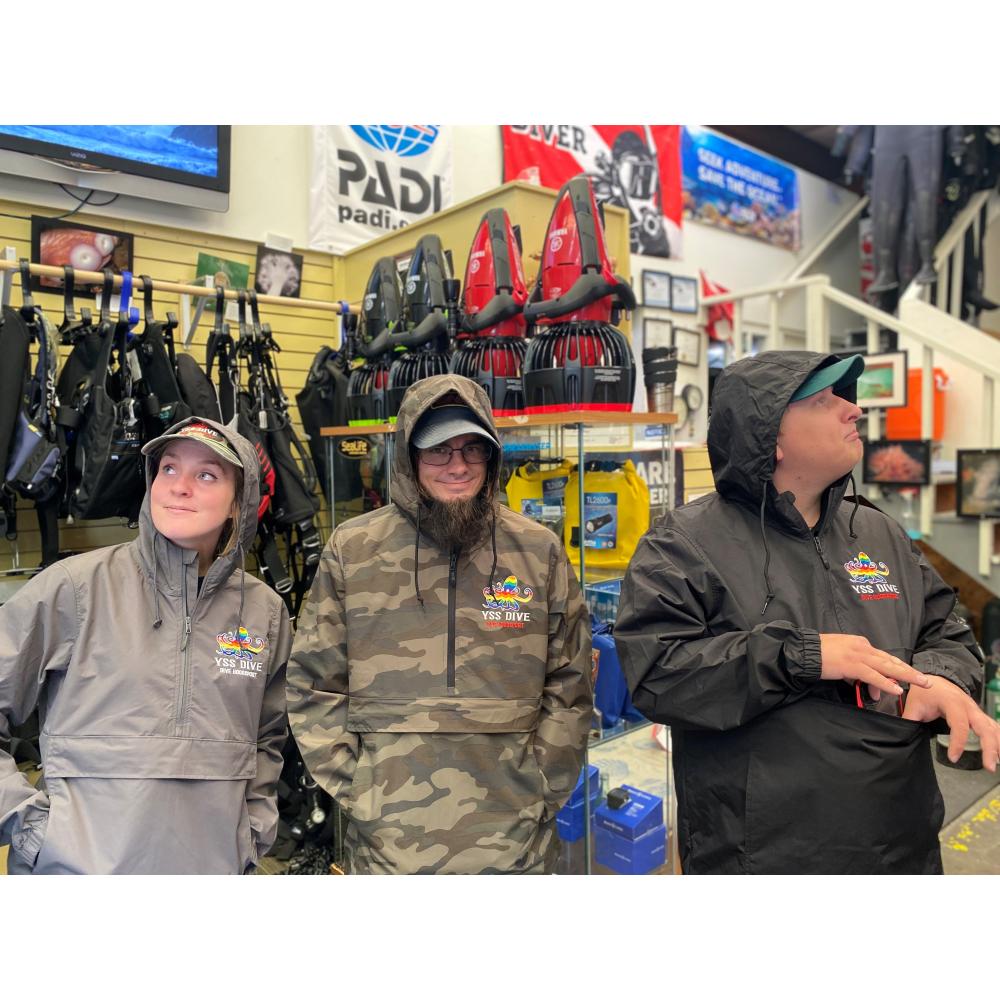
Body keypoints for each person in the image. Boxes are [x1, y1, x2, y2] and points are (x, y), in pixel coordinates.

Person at [615, 351, 997, 875]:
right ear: (768, 435)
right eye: (822, 401)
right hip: (761, 855)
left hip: (899, 843)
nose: (854, 410)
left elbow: (945, 630)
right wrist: (803, 656)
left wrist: (942, 678)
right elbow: (658, 675)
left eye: (845, 397)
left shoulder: (877, 532)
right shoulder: (683, 545)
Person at [287, 374, 592, 874]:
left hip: (516, 842)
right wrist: (360, 789)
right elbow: (312, 683)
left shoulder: (538, 551)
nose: (458, 465)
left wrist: (542, 786)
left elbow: (571, 685)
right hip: (387, 845)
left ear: (492, 456)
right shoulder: (353, 549)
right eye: (438, 450)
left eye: (474, 448)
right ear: (409, 457)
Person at [0, 417, 291, 874]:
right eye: (168, 468)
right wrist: (30, 829)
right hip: (74, 875)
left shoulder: (264, 612)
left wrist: (251, 835)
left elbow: (267, 739)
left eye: (206, 475)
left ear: (239, 502)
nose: (179, 486)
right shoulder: (74, 588)